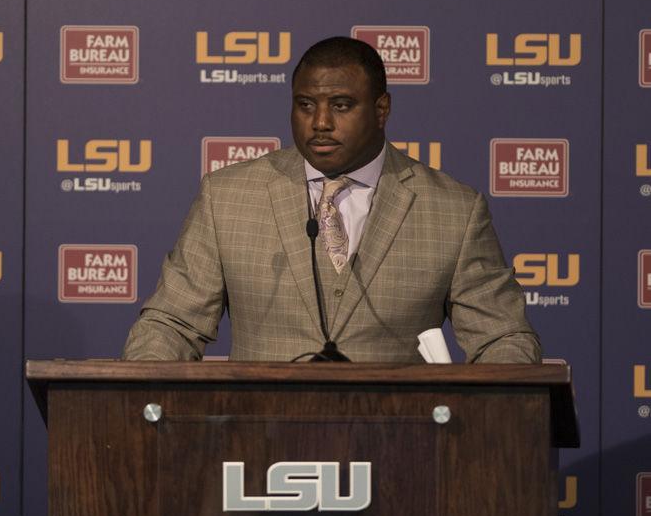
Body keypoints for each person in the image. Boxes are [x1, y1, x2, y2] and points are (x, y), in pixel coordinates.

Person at [123, 37, 541, 363]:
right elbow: (172, 324)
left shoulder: (453, 210)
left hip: (400, 449)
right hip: (258, 445)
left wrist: (505, 405)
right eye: (306, 105)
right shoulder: (227, 197)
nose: (320, 123)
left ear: (381, 110)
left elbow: (502, 337)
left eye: (341, 105)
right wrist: (133, 396)